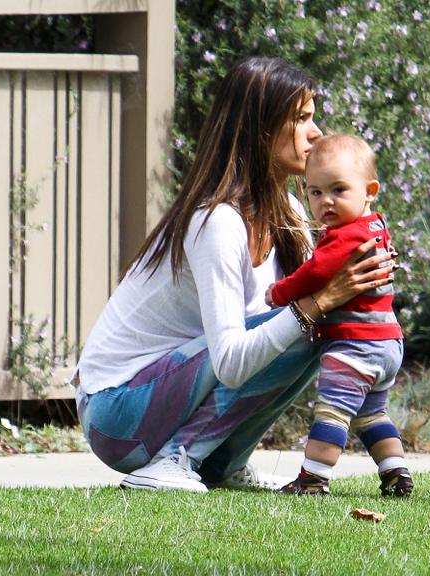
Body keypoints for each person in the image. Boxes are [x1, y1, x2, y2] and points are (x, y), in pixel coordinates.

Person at [71, 57, 397, 493]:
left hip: (163, 402)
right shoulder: (218, 222)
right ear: (260, 129)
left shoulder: (294, 213)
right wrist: (321, 299)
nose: (315, 133)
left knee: (319, 326)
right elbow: (229, 360)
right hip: (116, 416)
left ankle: (225, 462)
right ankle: (175, 460)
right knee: (305, 320)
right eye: (301, 119)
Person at [266, 134, 413, 497]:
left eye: (338, 190)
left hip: (356, 346)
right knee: (372, 414)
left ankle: (313, 479)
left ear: (370, 190)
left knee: (331, 412)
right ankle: (395, 472)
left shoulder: (346, 236)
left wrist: (280, 292)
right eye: (315, 192)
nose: (325, 202)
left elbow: (315, 273)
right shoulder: (375, 226)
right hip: (387, 345)